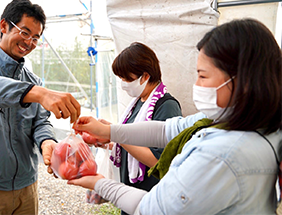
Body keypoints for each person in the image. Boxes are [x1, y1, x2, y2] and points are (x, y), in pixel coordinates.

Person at [66, 19, 282, 214]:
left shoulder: (220, 153)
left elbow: (152, 209)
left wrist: (99, 183)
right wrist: (107, 131)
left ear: (241, 80)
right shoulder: (247, 122)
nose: (196, 85)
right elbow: (167, 129)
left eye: (202, 75)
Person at [0, 0, 80, 215]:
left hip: (26, 186)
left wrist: (47, 141)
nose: (29, 42)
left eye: (36, 38)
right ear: (4, 26)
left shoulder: (33, 80)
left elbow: (40, 122)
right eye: (24, 32)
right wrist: (36, 93)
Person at [96, 42, 181, 214]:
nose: (123, 84)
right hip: (131, 195)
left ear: (145, 76)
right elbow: (133, 147)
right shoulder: (138, 103)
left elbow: (158, 161)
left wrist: (116, 134)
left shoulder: (167, 106)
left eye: (126, 78)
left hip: (151, 198)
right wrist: (109, 142)